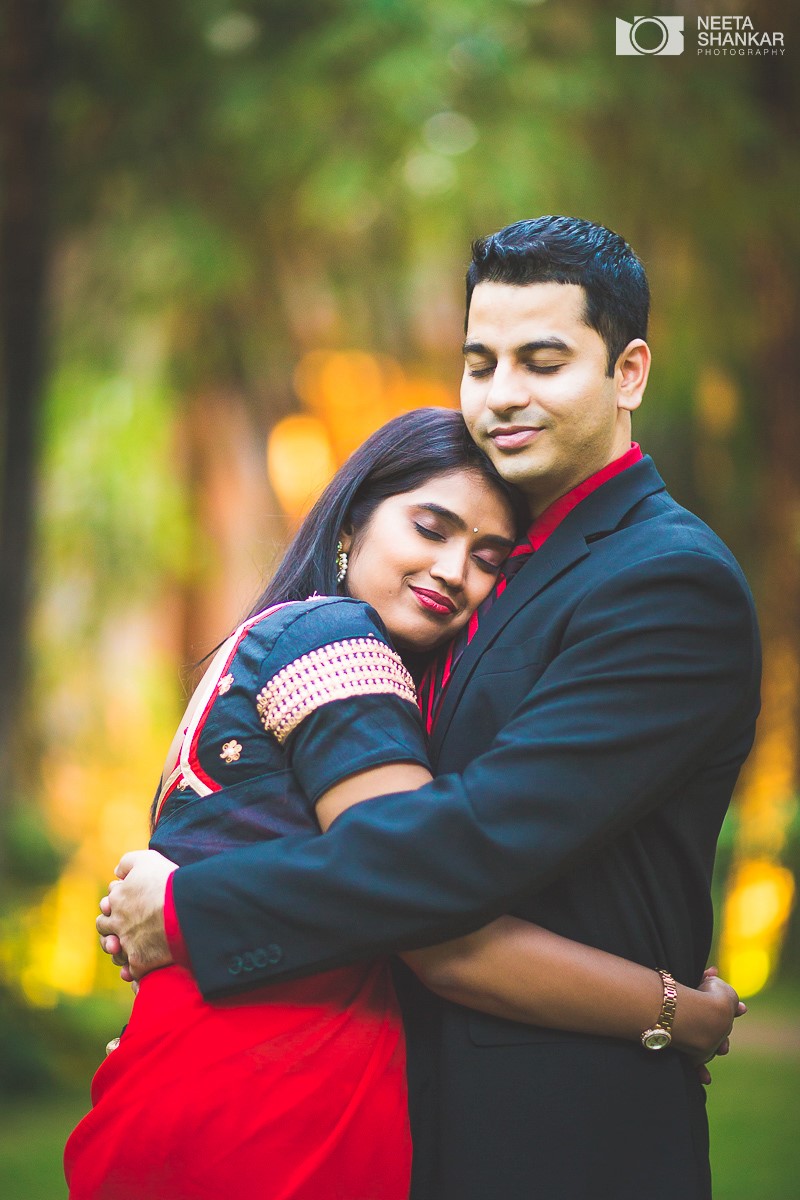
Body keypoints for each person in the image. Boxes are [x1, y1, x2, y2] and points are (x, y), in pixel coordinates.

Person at [97, 217, 760, 1200]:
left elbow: (464, 844)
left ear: (626, 373)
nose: (502, 395)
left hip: (561, 1133)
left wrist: (193, 909)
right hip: (403, 1108)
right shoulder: (475, 586)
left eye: (541, 361)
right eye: (480, 362)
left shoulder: (662, 581)